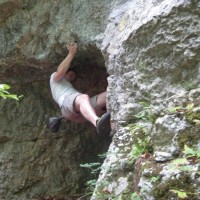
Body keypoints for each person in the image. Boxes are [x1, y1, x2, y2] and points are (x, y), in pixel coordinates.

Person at [50, 42, 111, 135]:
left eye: (73, 77)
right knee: (82, 98)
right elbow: (60, 72)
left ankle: (113, 128)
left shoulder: (68, 87)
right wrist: (71, 53)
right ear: (66, 72)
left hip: (78, 114)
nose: (72, 77)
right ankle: (97, 122)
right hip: (67, 105)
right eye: (71, 74)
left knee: (109, 95)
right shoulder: (55, 79)